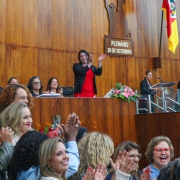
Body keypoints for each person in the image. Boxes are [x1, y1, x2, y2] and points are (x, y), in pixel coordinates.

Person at [0, 102, 33, 179]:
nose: (30, 120)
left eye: (30, 116)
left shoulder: (32, 138)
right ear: (15, 120)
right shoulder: (8, 142)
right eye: (25, 117)